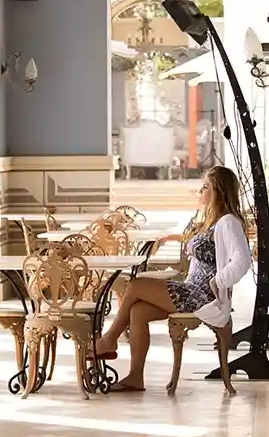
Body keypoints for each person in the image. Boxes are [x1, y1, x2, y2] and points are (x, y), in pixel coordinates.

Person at [94, 165, 252, 392]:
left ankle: (109, 338)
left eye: (205, 187)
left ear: (219, 191)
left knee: (136, 285)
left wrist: (219, 281)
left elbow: (243, 259)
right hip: (191, 289)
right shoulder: (211, 220)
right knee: (137, 310)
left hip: (204, 297)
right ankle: (135, 378)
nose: (200, 192)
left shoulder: (228, 222)